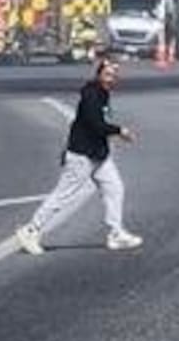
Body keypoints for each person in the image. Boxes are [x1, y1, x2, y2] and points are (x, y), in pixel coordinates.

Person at [16, 60, 143, 254]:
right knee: (63, 195)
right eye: (107, 74)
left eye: (114, 75)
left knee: (115, 188)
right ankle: (31, 230)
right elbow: (95, 124)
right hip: (81, 155)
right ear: (99, 74)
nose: (111, 78)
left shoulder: (102, 93)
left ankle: (116, 233)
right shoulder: (91, 94)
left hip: (98, 155)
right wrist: (120, 131)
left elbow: (95, 124)